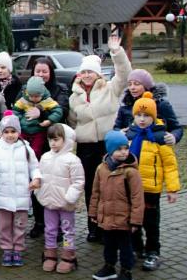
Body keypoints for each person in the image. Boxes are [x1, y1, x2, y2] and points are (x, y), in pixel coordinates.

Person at [67, 34, 132, 242]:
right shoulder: (74, 96)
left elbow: (124, 74)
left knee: (111, 187)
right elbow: (72, 123)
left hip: (108, 145)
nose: (87, 76)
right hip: (86, 147)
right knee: (91, 188)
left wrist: (116, 52)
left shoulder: (110, 88)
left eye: (90, 72)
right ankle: (93, 226)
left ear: (97, 74)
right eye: (83, 72)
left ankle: (110, 227)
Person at [0, 111, 41, 267]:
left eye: (13, 131)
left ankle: (17, 249)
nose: (10, 135)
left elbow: (34, 166)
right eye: (7, 132)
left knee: (20, 224)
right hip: (3, 195)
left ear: (18, 132)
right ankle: (6, 249)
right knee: (4, 225)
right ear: (2, 133)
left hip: (21, 195)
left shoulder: (26, 148)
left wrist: (36, 178)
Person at [125, 92, 180, 272]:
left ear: (153, 117)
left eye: (146, 115)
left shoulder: (160, 138)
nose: (142, 119)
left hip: (151, 189)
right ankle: (136, 248)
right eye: (138, 115)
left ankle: (152, 251)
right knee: (133, 220)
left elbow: (170, 166)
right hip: (131, 188)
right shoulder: (129, 134)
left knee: (150, 222)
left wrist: (172, 189)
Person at [89, 131, 144, 280]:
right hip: (106, 217)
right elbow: (95, 192)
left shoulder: (131, 172)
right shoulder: (101, 169)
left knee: (125, 246)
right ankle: (109, 267)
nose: (124, 152)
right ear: (110, 150)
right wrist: (93, 213)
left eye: (126, 148)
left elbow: (137, 198)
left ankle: (126, 270)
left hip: (124, 219)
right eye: (119, 149)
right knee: (109, 244)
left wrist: (135, 221)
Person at [13, 76, 64, 238]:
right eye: (32, 96)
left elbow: (58, 110)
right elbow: (15, 111)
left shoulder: (47, 100)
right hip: (24, 130)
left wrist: (48, 121)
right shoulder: (23, 99)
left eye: (37, 96)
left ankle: (54, 226)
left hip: (39, 131)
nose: (35, 99)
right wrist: (21, 120)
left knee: (35, 150)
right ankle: (39, 222)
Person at [35, 124, 84, 273]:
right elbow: (40, 175)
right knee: (50, 229)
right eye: (51, 140)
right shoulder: (45, 157)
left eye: (56, 139)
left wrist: (70, 197)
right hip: (49, 202)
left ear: (66, 139)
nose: (53, 143)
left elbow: (79, 181)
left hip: (65, 204)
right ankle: (50, 254)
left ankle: (68, 255)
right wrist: (38, 190)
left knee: (67, 230)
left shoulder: (73, 160)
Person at [114, 69, 183, 145]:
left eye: (136, 84)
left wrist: (174, 136)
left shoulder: (161, 105)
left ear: (146, 86)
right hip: (131, 151)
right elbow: (116, 127)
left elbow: (176, 128)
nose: (132, 87)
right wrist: (119, 133)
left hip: (156, 150)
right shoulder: (126, 106)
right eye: (130, 84)